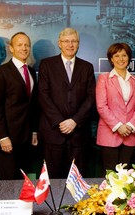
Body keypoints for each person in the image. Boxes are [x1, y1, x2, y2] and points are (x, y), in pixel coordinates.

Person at [38, 27, 96, 178]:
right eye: (66, 41)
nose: (70, 45)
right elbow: (43, 96)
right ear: (59, 43)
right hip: (54, 133)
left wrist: (74, 121)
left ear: (78, 44)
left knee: (77, 181)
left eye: (74, 41)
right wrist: (60, 122)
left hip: (79, 134)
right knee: (54, 179)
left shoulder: (87, 67)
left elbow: (90, 98)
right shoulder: (47, 65)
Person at [0, 32, 38, 180]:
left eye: (27, 45)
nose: (24, 48)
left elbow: (32, 105)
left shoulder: (30, 71)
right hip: (8, 137)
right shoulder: (0, 72)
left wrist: (34, 131)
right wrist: (2, 137)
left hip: (26, 137)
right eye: (19, 45)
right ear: (11, 48)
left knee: (23, 180)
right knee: (8, 179)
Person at [95, 43, 135, 174]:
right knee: (110, 176)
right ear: (111, 59)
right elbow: (101, 106)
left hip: (130, 134)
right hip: (109, 135)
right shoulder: (104, 79)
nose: (121, 59)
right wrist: (118, 126)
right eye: (116, 56)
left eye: (124, 55)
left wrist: (130, 125)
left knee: (126, 177)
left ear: (129, 58)